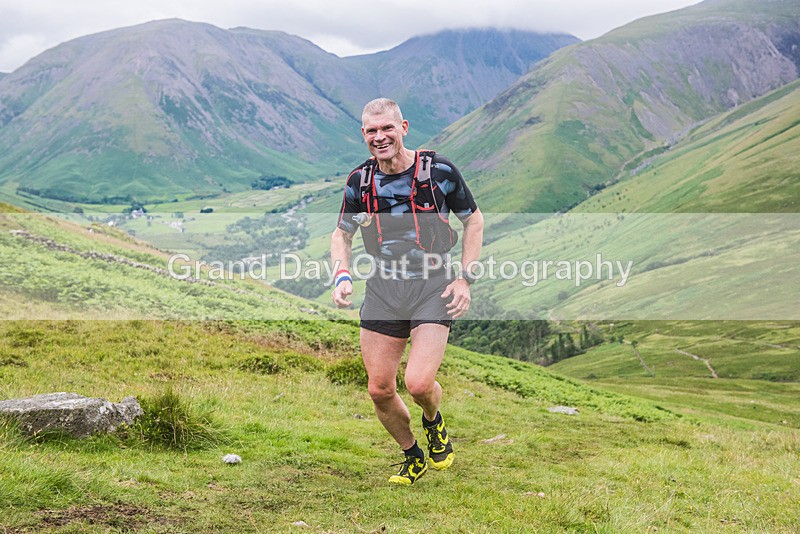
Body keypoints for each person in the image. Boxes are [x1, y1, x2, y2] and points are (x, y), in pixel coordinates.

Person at [330, 98, 484, 485]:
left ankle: (433, 421)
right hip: (384, 289)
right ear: (363, 134)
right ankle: (412, 454)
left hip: (433, 285)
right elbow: (341, 233)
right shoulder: (359, 182)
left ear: (404, 127)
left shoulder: (440, 172)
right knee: (379, 389)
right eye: (371, 131)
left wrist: (465, 278)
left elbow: (474, 220)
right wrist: (342, 273)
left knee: (417, 383)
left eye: (387, 128)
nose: (379, 137)